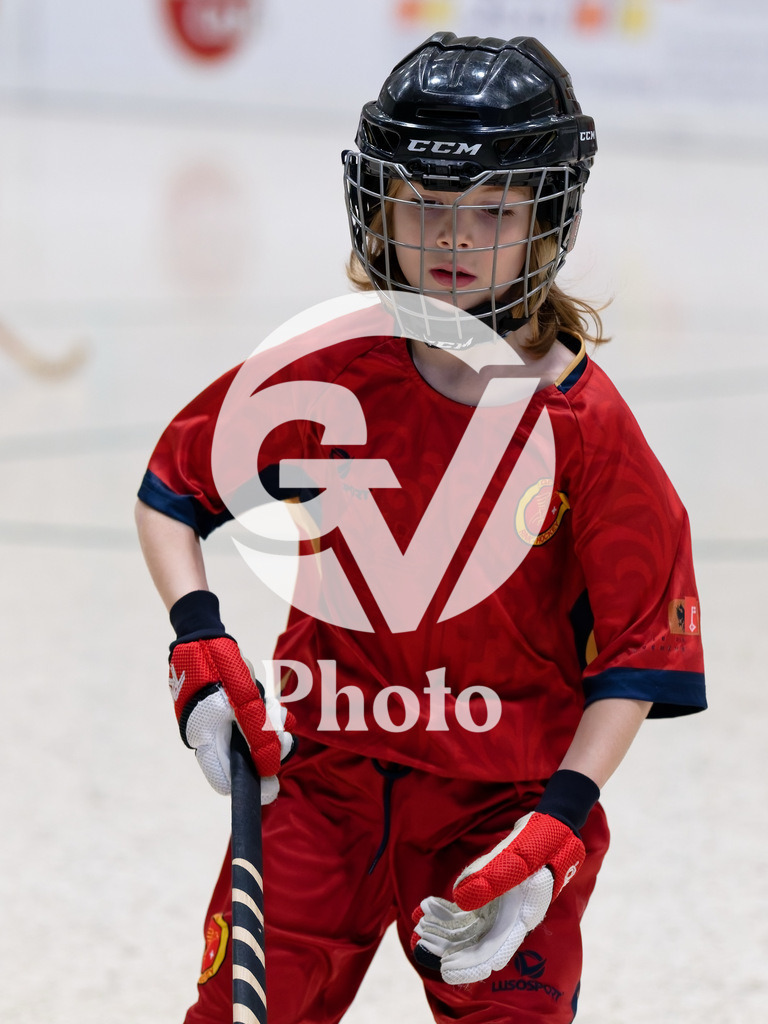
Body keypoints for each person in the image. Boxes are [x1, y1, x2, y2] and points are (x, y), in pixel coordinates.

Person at [135, 32, 706, 1024]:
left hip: (501, 809)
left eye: (492, 209)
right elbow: (172, 492)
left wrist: (557, 827)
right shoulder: (326, 374)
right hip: (319, 787)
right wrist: (199, 641)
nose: (454, 237)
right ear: (377, 206)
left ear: (549, 218)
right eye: (426, 206)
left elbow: (639, 654)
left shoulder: (587, 427)